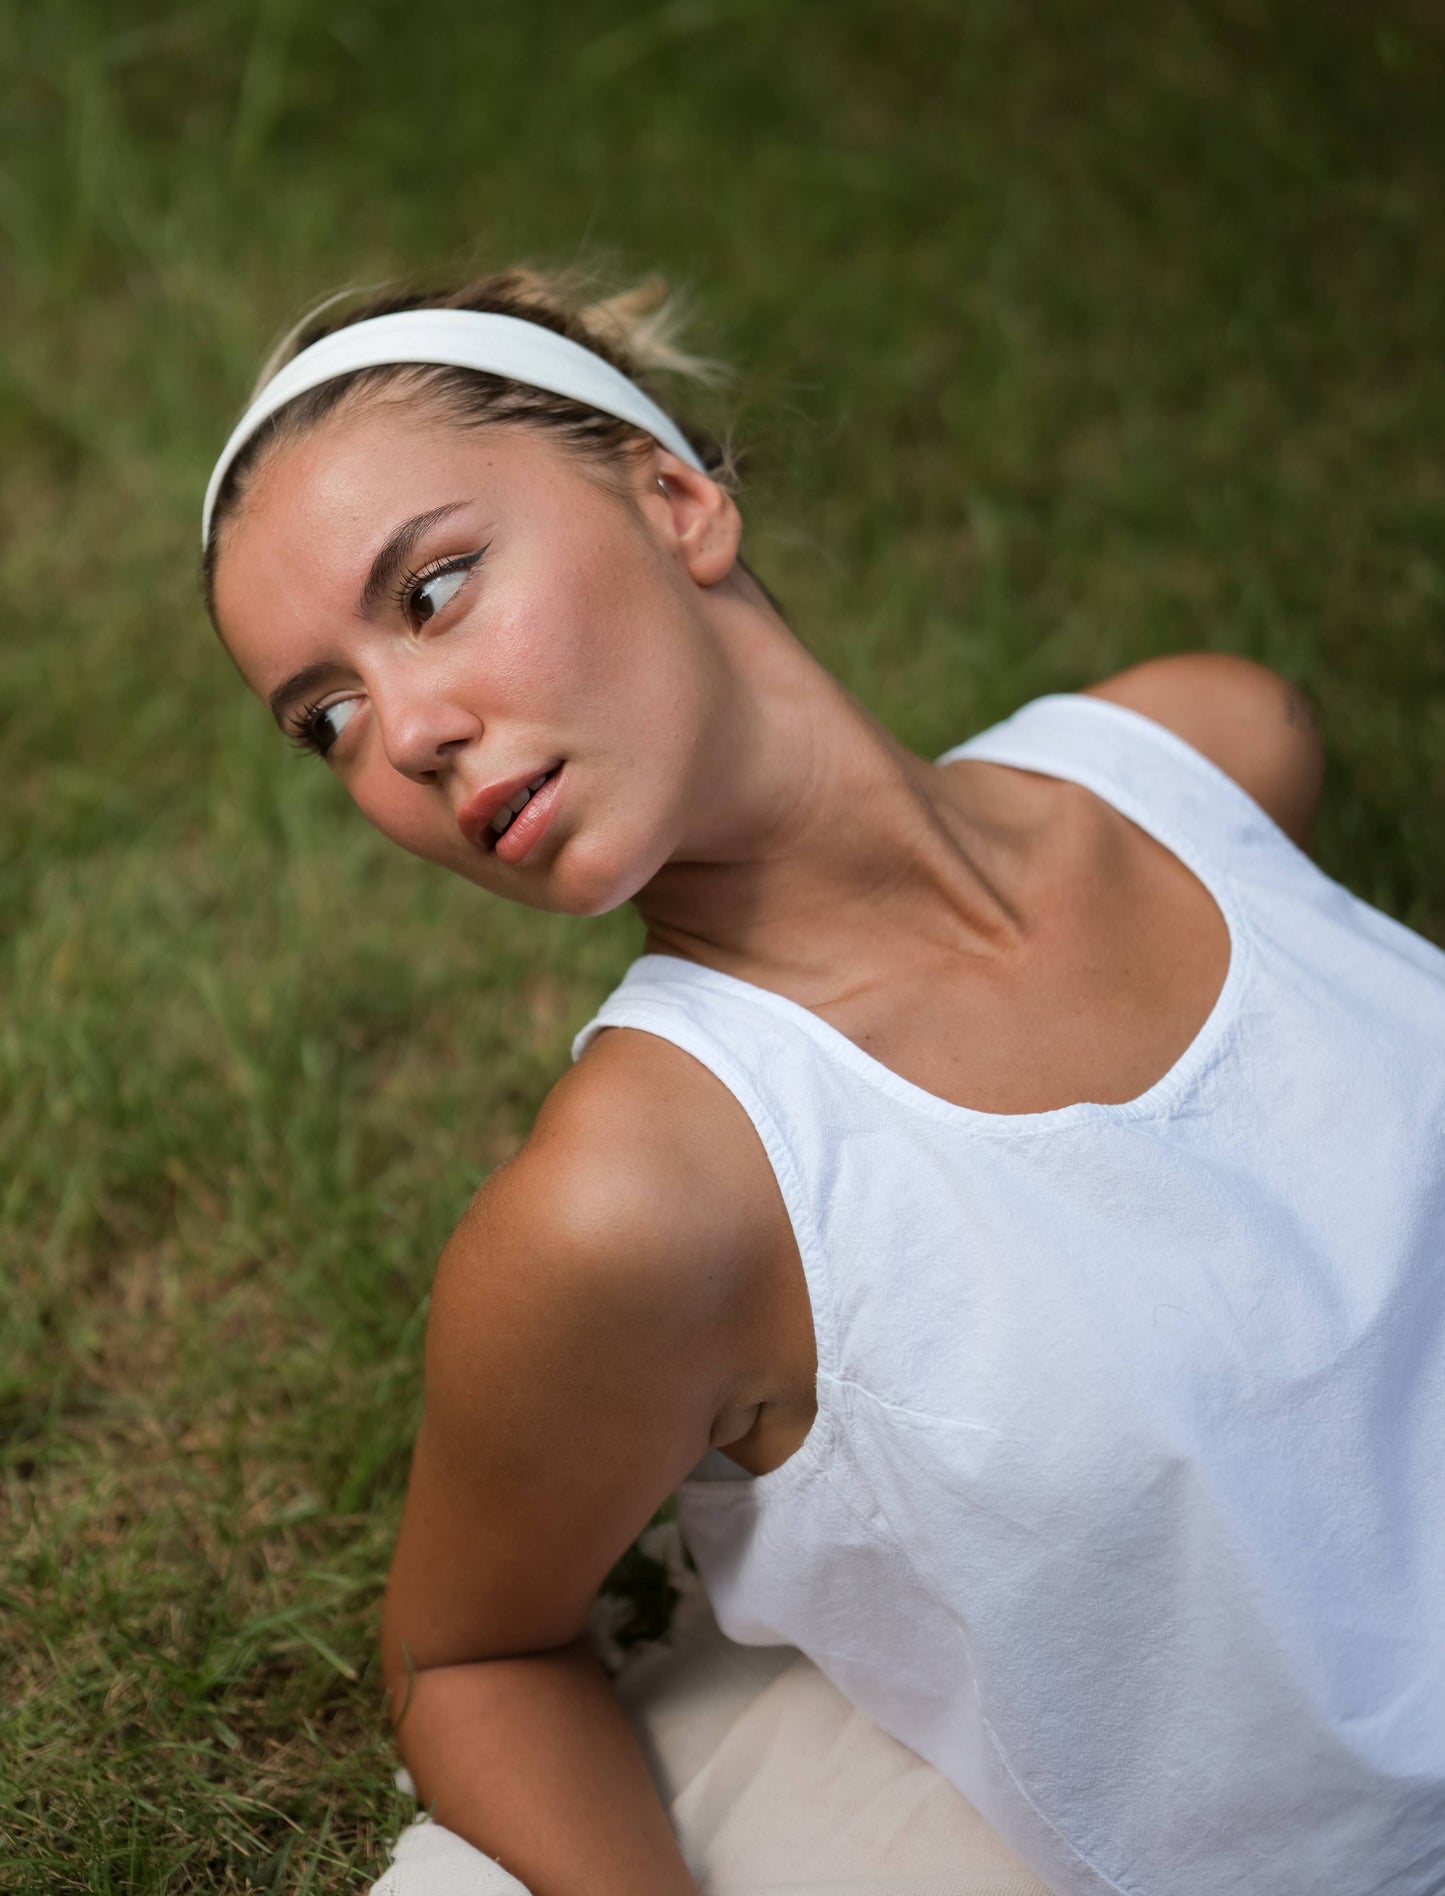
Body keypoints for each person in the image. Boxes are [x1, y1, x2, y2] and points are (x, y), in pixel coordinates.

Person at [203, 268, 1445, 1896]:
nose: (409, 734)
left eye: (432, 591)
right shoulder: (646, 1204)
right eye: (331, 716)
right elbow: (469, 1658)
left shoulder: (1205, 751)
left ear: (674, 500)